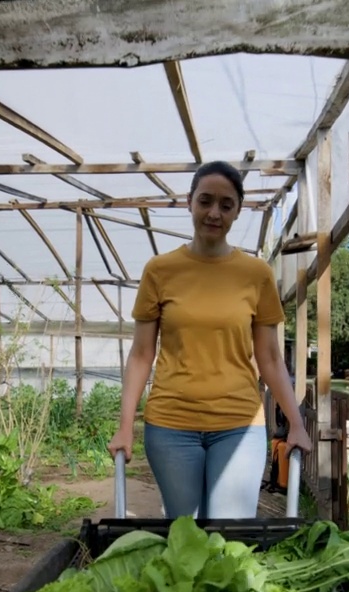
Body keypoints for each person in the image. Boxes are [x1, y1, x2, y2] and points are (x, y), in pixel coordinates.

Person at [107, 160, 311, 519]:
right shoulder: (160, 270)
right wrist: (125, 427)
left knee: (230, 536)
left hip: (238, 423)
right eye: (206, 201)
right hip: (171, 424)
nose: (214, 213)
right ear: (190, 203)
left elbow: (271, 359)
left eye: (226, 205)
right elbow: (141, 355)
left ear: (236, 212)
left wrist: (295, 423)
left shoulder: (256, 274)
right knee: (184, 535)